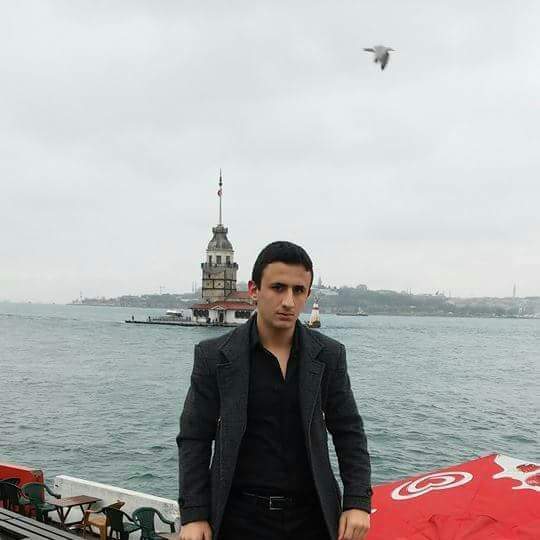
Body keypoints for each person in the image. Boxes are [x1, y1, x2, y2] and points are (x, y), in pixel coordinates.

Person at [177, 241, 372, 540]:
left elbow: (349, 431)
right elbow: (195, 437)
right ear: (254, 290)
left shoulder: (329, 355)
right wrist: (194, 515)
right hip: (238, 519)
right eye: (278, 288)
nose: (288, 301)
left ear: (308, 294)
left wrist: (357, 502)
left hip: (313, 518)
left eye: (298, 290)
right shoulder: (214, 356)